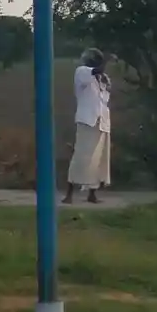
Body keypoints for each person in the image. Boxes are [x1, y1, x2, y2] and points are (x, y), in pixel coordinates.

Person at [64, 48, 112, 204]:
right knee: (81, 156)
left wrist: (105, 83)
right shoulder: (82, 71)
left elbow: (105, 97)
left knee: (98, 159)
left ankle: (92, 194)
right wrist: (106, 61)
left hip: (102, 121)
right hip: (87, 120)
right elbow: (95, 71)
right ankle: (69, 193)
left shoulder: (102, 78)